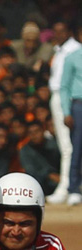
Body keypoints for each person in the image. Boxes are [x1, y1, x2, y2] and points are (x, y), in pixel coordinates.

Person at [45, 21, 80, 204]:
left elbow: (65, 84)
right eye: (55, 31)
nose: (58, 34)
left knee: (68, 146)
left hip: (66, 97)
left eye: (62, 31)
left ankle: (67, 186)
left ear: (69, 32)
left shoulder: (73, 49)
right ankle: (68, 186)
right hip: (61, 97)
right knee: (66, 146)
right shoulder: (60, 50)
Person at [58, 44, 82, 206]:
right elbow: (64, 86)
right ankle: (74, 189)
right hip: (79, 105)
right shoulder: (72, 57)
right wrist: (66, 112)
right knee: (78, 147)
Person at [18, 121, 61, 196]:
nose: (34, 135)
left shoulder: (54, 145)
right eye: (30, 133)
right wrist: (49, 175)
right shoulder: (24, 150)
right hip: (38, 184)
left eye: (37, 131)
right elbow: (31, 171)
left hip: (60, 182)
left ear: (43, 130)